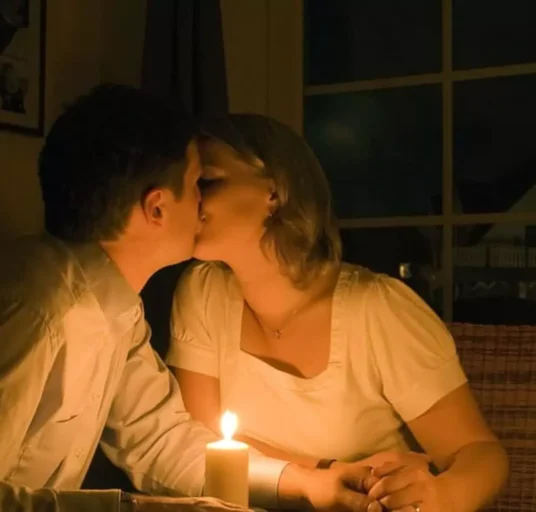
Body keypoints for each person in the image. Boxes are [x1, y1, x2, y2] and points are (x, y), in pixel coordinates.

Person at [0, 84, 380, 512]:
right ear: (157, 209)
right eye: (197, 182)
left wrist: (307, 483)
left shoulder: (117, 311)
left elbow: (160, 438)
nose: (204, 200)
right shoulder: (37, 309)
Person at [168, 114, 510, 512]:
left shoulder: (376, 310)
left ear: (275, 192)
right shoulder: (202, 292)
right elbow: (203, 440)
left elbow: (481, 455)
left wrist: (442, 495)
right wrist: (328, 472)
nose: (187, 197)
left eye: (206, 181)